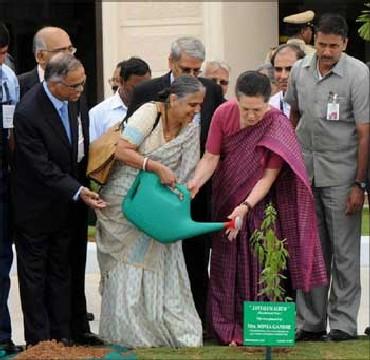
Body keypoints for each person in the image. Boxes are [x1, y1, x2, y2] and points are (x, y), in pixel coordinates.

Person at [188, 71, 327, 346]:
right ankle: (226, 329)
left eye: (258, 110)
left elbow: (268, 176)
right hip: (226, 198)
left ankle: (258, 329)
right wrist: (195, 183)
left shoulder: (277, 123)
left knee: (259, 261)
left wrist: (246, 206)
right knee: (225, 266)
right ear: (236, 101)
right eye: (246, 109)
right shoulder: (222, 114)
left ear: (269, 102)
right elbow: (210, 157)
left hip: (260, 205)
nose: (251, 116)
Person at [95, 75, 205, 347]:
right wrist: (154, 167)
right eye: (192, 104)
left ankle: (168, 329)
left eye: (199, 105)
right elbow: (122, 150)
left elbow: (187, 169)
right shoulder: (149, 113)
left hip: (159, 205)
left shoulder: (191, 127)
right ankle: (128, 331)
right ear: (173, 99)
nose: (196, 110)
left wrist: (187, 189)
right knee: (127, 265)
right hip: (125, 202)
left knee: (162, 261)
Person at [126, 36, 224, 330]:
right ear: (171, 63)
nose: (193, 77)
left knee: (195, 257)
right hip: (154, 192)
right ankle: (155, 319)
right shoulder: (147, 92)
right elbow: (133, 142)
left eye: (197, 71)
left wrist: (193, 181)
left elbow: (213, 142)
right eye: (186, 70)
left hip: (194, 189)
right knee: (153, 258)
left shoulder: (211, 91)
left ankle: (200, 321)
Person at [12, 53, 106, 347]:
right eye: (74, 86)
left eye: (82, 85)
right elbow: (40, 166)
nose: (80, 92)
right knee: (35, 277)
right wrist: (77, 190)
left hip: (66, 205)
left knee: (62, 271)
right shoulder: (28, 112)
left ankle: (62, 335)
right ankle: (40, 342)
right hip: (36, 208)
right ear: (54, 84)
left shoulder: (73, 97)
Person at [285, 13, 369, 341]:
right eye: (322, 44)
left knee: (344, 254)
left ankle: (344, 324)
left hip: (343, 175)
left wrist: (359, 184)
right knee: (311, 251)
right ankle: (311, 322)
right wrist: (291, 162)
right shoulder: (299, 70)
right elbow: (293, 114)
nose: (327, 51)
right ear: (314, 40)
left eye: (334, 46)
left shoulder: (359, 74)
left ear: (345, 44)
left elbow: (365, 132)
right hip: (306, 174)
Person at [0, 21, 22, 356]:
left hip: (3, 179)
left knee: (2, 260)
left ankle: (3, 335)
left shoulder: (8, 78)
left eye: (3, 53)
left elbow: (13, 128)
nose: (1, 59)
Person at [89, 57, 151, 142]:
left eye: (147, 87)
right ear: (121, 82)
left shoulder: (156, 108)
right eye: (137, 88)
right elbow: (93, 150)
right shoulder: (98, 113)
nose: (143, 92)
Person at [18, 26, 77, 98]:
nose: (69, 56)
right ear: (40, 56)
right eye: (61, 51)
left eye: (70, 49)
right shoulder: (18, 86)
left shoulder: (77, 83)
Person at [269, 44, 304, 118]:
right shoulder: (270, 106)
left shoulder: (317, 101)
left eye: (289, 69)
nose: (283, 76)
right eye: (278, 69)